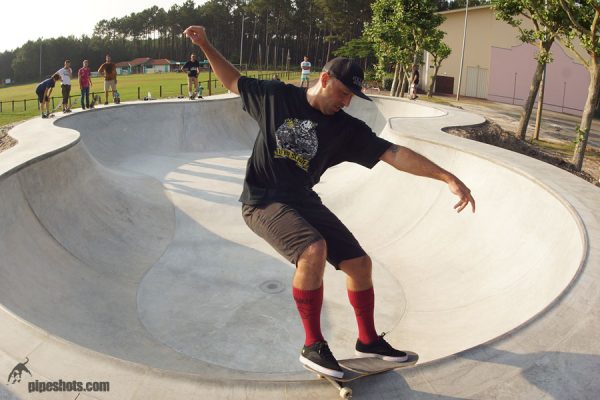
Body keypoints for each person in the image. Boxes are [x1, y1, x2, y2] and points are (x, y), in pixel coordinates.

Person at [184, 25, 476, 379]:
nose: (346, 101)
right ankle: (313, 345)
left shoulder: (346, 128)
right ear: (323, 79)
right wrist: (206, 44)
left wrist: (447, 177)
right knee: (313, 250)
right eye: (343, 93)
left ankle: (368, 340)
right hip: (262, 200)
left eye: (353, 96)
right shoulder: (276, 97)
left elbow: (394, 153)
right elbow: (234, 81)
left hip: (302, 199)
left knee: (359, 264)